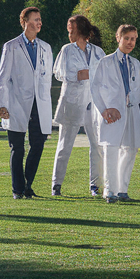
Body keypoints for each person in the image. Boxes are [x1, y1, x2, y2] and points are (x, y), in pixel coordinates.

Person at [0, 6, 54, 199]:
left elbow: (46, 80)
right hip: (16, 103)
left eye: (40, 19)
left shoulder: (45, 47)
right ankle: (17, 189)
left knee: (38, 144)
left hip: (40, 103)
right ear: (24, 22)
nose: (39, 23)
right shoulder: (11, 46)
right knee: (17, 148)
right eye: (35, 19)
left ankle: (27, 184)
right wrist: (1, 104)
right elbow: (3, 78)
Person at [89, 24, 140, 203]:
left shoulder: (135, 63)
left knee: (130, 149)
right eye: (127, 38)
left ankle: (122, 189)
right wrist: (104, 110)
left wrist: (132, 97)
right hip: (112, 114)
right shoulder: (105, 62)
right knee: (111, 149)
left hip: (131, 110)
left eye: (134, 39)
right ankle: (110, 191)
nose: (130, 42)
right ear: (118, 38)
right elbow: (95, 88)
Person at [50, 15, 105, 197]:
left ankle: (95, 186)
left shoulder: (98, 52)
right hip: (72, 102)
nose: (69, 33)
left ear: (80, 30)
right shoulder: (67, 50)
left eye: (71, 29)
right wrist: (88, 73)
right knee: (65, 144)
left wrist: (86, 73)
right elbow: (67, 74)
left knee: (97, 144)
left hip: (93, 103)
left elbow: (102, 75)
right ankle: (56, 185)